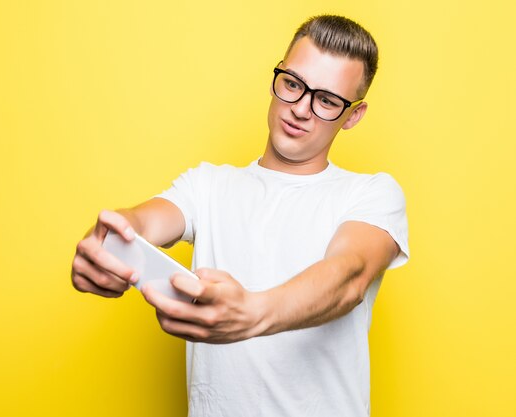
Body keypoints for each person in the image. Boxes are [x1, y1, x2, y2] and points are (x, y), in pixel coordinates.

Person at [71, 14, 409, 417]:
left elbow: (348, 276)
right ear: (278, 77)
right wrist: (106, 242)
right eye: (293, 84)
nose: (301, 108)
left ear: (352, 115)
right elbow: (144, 222)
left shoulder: (371, 193)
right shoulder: (208, 185)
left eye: (327, 100)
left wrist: (255, 312)